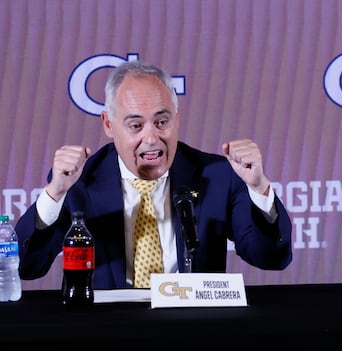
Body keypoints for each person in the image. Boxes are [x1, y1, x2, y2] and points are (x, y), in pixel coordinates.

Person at [16, 60, 293, 289]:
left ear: (177, 118)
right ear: (109, 125)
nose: (151, 138)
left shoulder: (218, 175)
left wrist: (259, 189)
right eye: (136, 125)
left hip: (194, 330)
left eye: (162, 122)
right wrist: (55, 193)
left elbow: (271, 257)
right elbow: (26, 267)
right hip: (105, 330)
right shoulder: (79, 180)